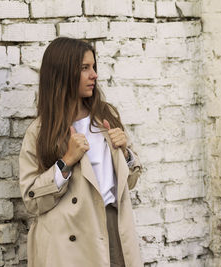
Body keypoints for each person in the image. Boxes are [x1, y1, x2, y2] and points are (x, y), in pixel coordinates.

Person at [18, 37, 143, 267]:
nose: (94, 74)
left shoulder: (105, 117)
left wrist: (126, 153)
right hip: (68, 242)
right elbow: (31, 200)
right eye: (84, 68)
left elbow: (131, 180)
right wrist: (66, 161)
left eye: (93, 67)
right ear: (63, 74)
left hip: (113, 227)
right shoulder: (40, 131)